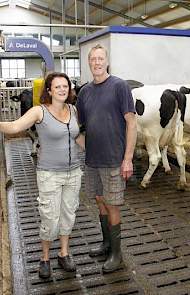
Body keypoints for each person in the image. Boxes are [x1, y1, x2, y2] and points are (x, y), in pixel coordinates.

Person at [0, 72, 84, 279]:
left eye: (66, 86)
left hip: (74, 172)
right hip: (49, 174)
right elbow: (14, 127)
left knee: (68, 214)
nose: (63, 90)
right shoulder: (40, 111)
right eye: (58, 87)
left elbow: (78, 137)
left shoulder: (73, 110)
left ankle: (64, 253)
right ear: (49, 90)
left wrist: (96, 152)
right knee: (49, 218)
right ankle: (44, 258)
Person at [76, 44, 137, 273]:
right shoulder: (84, 92)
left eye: (101, 58)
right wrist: (82, 146)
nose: (97, 63)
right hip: (93, 160)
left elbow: (131, 123)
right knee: (100, 200)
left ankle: (117, 255)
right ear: (89, 62)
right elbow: (80, 126)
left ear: (107, 61)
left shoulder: (119, 86)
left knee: (112, 205)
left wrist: (128, 158)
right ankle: (106, 243)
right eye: (93, 59)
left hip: (114, 159)